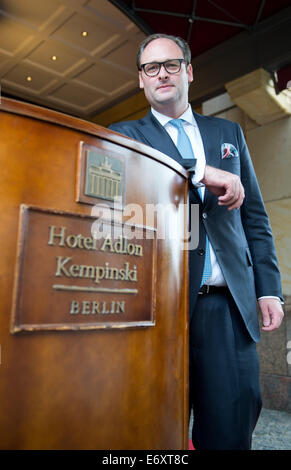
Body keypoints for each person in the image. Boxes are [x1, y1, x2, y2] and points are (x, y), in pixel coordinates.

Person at [109, 33, 284, 450]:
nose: (161, 74)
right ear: (141, 80)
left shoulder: (228, 132)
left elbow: (255, 218)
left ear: (188, 71)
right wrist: (202, 171)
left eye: (171, 64)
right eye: (151, 68)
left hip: (228, 308)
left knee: (231, 428)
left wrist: (269, 289)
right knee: (153, 433)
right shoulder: (123, 134)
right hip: (159, 311)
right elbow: (121, 193)